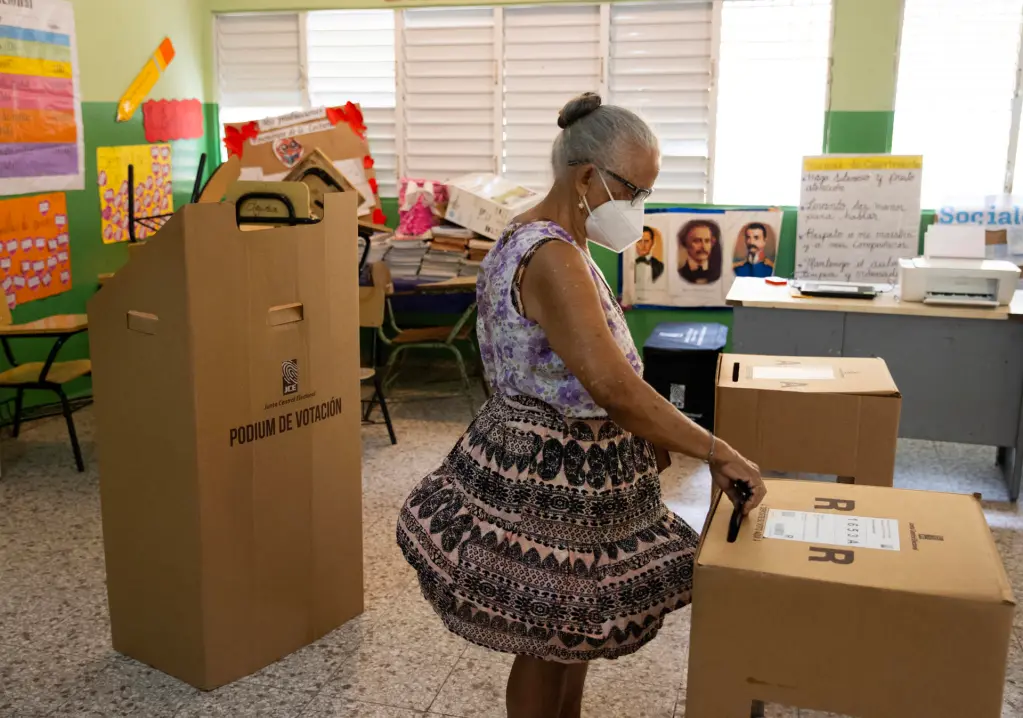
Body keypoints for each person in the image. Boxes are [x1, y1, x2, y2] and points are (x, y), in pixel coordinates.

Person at [396, 92, 766, 718]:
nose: (637, 208)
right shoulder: (554, 256)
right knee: (549, 642)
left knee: (569, 636)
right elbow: (612, 386)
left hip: (559, 467)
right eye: (632, 191)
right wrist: (715, 450)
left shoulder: (537, 239)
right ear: (588, 176)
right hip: (553, 480)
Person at [678, 219, 722, 284]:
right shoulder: (680, 274)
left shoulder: (719, 272)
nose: (703, 247)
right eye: (697, 241)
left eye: (707, 241)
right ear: (685, 243)